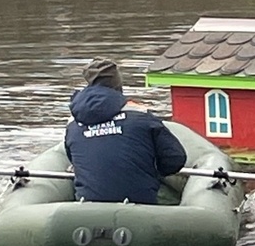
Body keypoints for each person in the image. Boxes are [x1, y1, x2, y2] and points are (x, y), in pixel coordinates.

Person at [64, 58, 187, 204]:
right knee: (171, 195)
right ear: (118, 83)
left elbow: (75, 161)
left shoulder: (73, 125)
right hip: (140, 204)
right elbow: (175, 159)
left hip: (88, 205)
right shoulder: (142, 116)